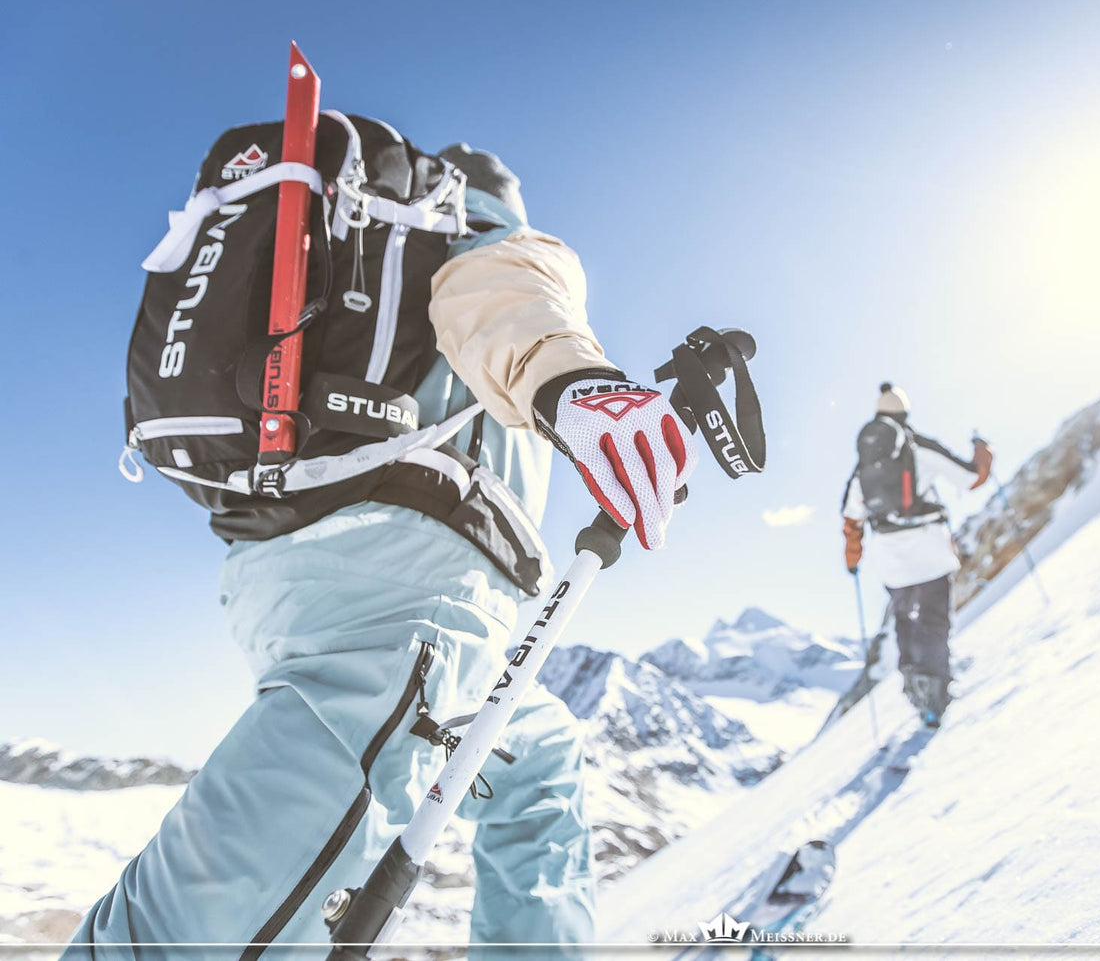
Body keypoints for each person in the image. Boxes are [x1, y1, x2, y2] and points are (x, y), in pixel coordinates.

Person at [72, 124, 693, 957]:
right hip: (404, 589)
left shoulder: (386, 254)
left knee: (537, 759)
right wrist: (574, 384)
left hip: (328, 573)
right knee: (193, 931)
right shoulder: (489, 239)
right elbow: (497, 291)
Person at [841, 383, 991, 727]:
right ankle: (934, 698)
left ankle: (913, 685)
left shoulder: (864, 468)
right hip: (929, 553)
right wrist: (983, 450)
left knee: (904, 621)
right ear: (904, 414)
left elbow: (852, 518)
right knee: (933, 623)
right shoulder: (918, 447)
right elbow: (971, 478)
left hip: (890, 561)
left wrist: (853, 559)